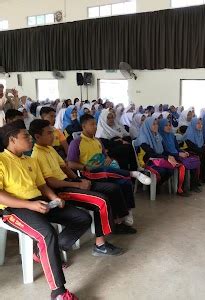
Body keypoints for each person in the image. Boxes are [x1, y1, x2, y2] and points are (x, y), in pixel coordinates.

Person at [0, 120, 90, 300]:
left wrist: (53, 197)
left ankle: (47, 251)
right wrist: (29, 205)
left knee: (82, 218)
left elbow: (41, 185)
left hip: (38, 202)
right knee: (47, 233)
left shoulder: (29, 160)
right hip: (13, 209)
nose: (30, 139)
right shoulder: (2, 161)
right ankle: (58, 292)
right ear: (12, 140)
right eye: (25, 136)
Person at [29, 119, 128, 254]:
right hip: (61, 191)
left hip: (70, 182)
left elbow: (65, 167)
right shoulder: (37, 155)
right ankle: (100, 245)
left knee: (112, 188)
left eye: (52, 133)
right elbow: (51, 182)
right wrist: (76, 184)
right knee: (101, 201)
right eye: (49, 133)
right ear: (37, 137)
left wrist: (79, 180)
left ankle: (118, 223)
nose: (53, 136)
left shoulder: (49, 149)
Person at [67, 114, 148, 230]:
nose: (95, 127)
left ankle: (125, 214)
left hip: (105, 172)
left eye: (95, 124)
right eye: (92, 125)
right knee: (107, 173)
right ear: (84, 126)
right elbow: (70, 164)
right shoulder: (76, 143)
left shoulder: (97, 141)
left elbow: (105, 156)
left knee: (124, 182)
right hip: (90, 174)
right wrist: (84, 167)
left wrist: (108, 159)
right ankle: (132, 173)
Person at [158, 118, 201, 194]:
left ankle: (193, 185)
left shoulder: (171, 135)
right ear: (161, 126)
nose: (168, 127)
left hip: (176, 155)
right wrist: (178, 154)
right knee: (183, 166)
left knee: (193, 160)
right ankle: (180, 189)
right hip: (168, 157)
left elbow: (177, 148)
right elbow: (164, 152)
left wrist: (183, 152)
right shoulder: (159, 137)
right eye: (166, 125)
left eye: (169, 125)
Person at [137, 117, 174, 188]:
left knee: (170, 169)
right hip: (148, 161)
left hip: (158, 159)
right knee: (162, 171)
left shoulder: (157, 136)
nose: (156, 126)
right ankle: (153, 187)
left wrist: (169, 156)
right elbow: (151, 154)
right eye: (153, 124)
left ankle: (157, 185)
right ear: (148, 125)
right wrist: (166, 158)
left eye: (156, 124)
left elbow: (163, 150)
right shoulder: (143, 138)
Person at [184, 118, 205, 184]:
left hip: (197, 150)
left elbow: (201, 145)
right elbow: (193, 147)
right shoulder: (190, 134)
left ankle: (204, 176)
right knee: (203, 155)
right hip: (190, 152)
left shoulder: (199, 133)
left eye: (201, 124)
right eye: (198, 123)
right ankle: (197, 179)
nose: (200, 125)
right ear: (194, 124)